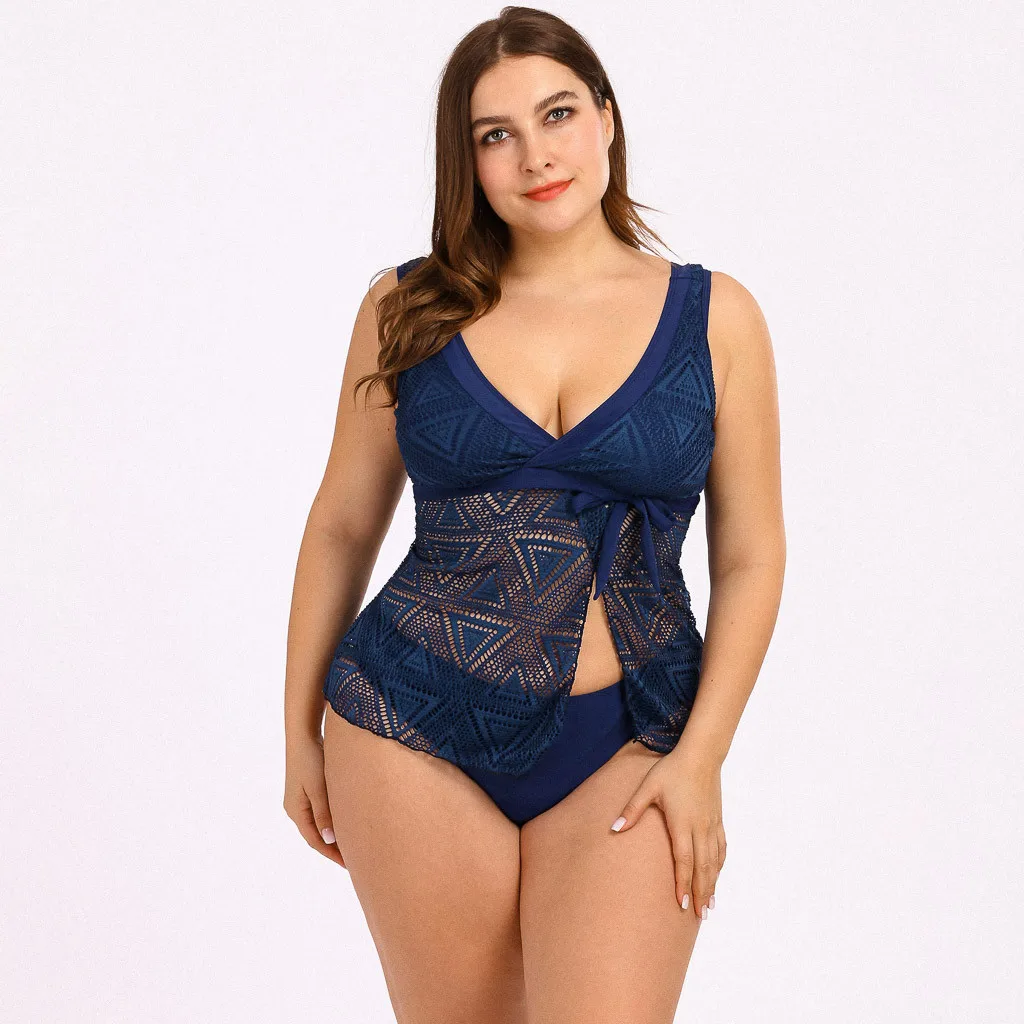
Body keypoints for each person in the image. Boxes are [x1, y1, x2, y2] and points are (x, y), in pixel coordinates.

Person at [284, 7, 785, 1022]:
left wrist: (702, 758)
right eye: (495, 134)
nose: (535, 156)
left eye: (557, 114)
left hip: (635, 738)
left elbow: (752, 556)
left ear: (605, 117)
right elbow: (341, 523)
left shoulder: (716, 316)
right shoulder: (405, 309)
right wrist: (298, 731)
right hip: (408, 726)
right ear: (466, 160)